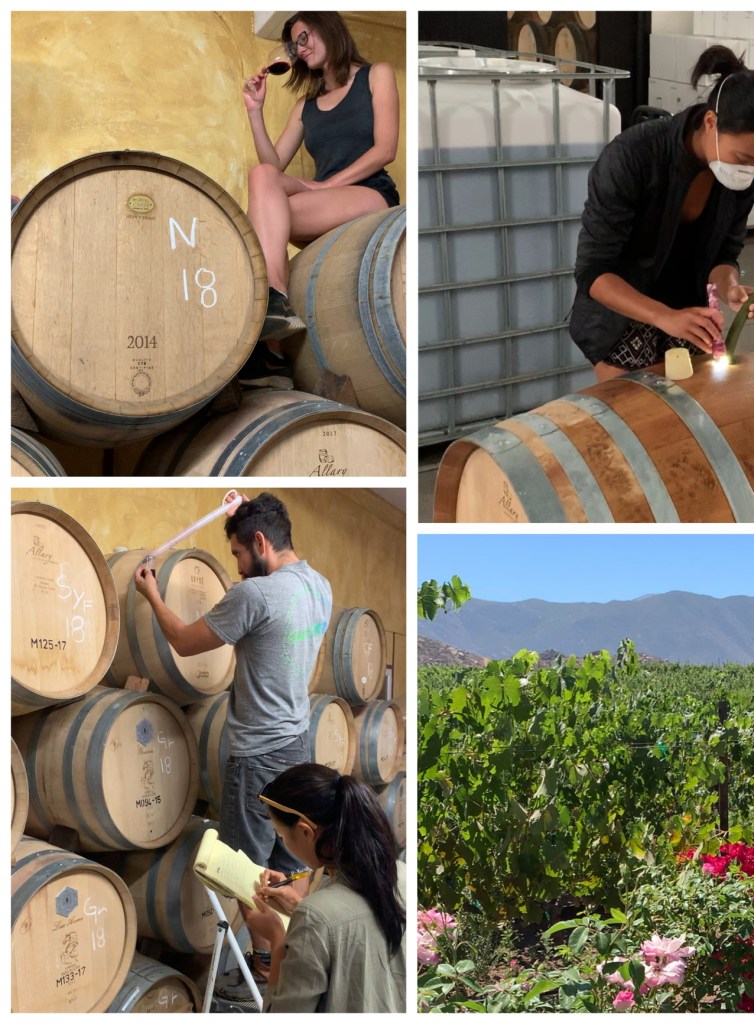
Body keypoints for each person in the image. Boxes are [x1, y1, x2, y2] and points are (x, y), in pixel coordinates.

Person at [133, 493, 332, 999]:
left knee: (242, 876)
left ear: (260, 542)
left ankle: (269, 968)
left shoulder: (255, 597)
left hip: (257, 755)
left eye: (239, 556)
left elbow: (182, 640)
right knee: (287, 867)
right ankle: (289, 963)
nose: (239, 569)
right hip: (297, 743)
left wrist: (151, 594)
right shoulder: (320, 587)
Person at [569, 46, 754, 381]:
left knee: (693, 410)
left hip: (689, 312)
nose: (752, 170)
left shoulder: (743, 173)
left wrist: (729, 285)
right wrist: (664, 316)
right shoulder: (632, 157)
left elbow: (725, 253)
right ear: (710, 122)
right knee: (642, 417)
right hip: (622, 315)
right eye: (746, 158)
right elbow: (594, 272)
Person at [238, 11, 401, 388]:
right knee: (262, 178)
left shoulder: (376, 75)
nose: (301, 48)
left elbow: (385, 149)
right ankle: (276, 303)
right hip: (322, 205)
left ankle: (271, 352)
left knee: (258, 218)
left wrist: (325, 187)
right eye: (295, 44)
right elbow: (273, 166)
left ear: (330, 29)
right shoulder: (305, 106)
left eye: (306, 36)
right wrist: (255, 112)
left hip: (369, 196)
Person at [247, 764, 406, 1012]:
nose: (283, 842)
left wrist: (277, 937)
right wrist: (299, 908)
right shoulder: (401, 873)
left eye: (281, 835)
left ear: (305, 831)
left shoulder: (316, 916)